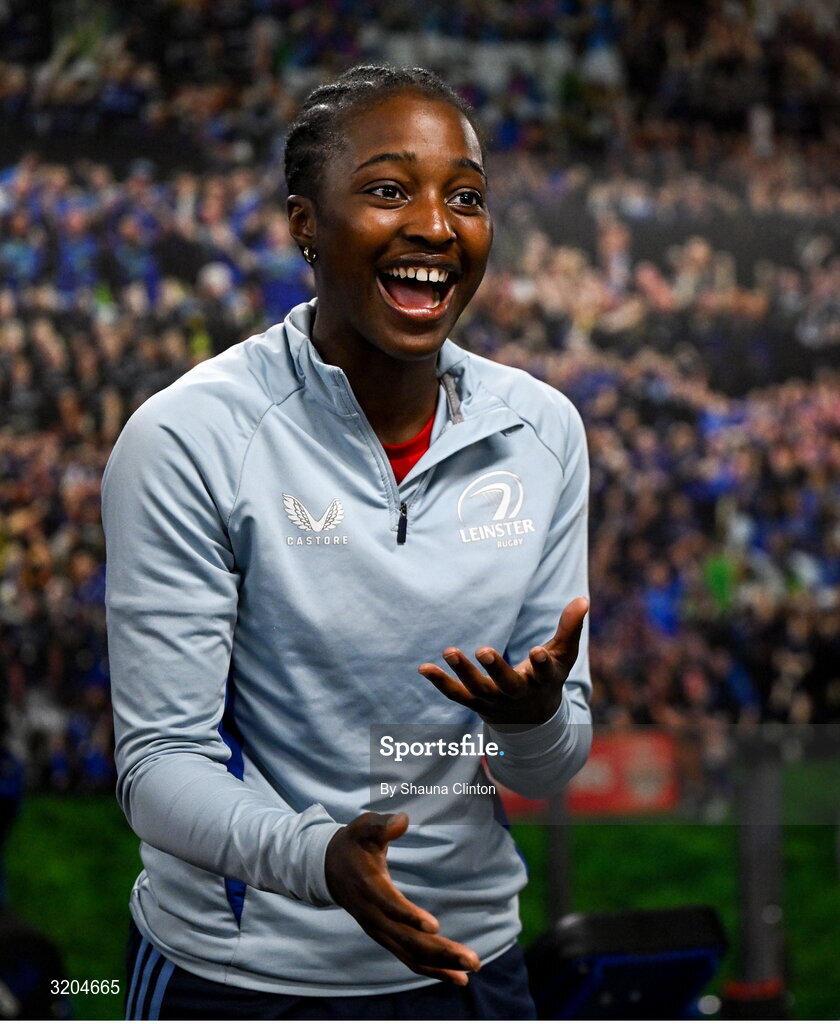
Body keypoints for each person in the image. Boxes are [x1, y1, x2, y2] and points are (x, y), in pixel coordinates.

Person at [103, 65, 592, 1020]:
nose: (436, 225)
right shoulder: (190, 437)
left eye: (466, 196)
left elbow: (547, 771)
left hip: (471, 966)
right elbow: (158, 766)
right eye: (386, 189)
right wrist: (321, 861)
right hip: (241, 979)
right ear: (303, 223)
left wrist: (532, 721)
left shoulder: (544, 432)